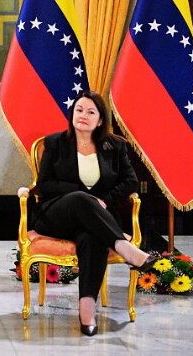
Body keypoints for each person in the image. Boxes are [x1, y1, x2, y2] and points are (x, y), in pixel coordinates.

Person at [28, 90, 159, 336]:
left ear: (100, 120)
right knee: (80, 198)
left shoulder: (115, 146)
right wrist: (83, 195)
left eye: (90, 112)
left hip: (98, 218)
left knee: (92, 237)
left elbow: (130, 181)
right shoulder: (55, 143)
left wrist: (103, 201)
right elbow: (44, 184)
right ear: (72, 114)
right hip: (56, 214)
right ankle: (123, 246)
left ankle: (87, 308)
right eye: (79, 110)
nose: (83, 115)